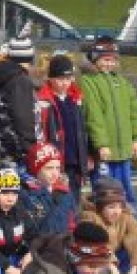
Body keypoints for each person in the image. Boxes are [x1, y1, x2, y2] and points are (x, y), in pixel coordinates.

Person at [80, 36, 137, 205]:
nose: (109, 64)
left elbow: (134, 112)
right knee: (105, 194)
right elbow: (93, 115)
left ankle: (129, 226)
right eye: (105, 59)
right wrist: (101, 144)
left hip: (124, 151)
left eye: (112, 60)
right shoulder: (88, 81)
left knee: (126, 193)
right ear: (95, 59)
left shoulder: (122, 82)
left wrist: (136, 138)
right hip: (105, 154)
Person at [79, 177, 137, 274]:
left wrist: (133, 271)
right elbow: (100, 245)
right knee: (93, 250)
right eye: (111, 207)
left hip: (113, 256)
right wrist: (113, 269)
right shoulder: (89, 216)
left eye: (119, 207)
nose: (117, 212)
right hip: (94, 258)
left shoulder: (125, 216)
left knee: (130, 247)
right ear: (100, 206)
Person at [36, 53, 90, 202]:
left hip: (75, 160)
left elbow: (82, 131)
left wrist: (86, 158)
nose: (64, 83)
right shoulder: (44, 102)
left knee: (74, 199)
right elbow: (42, 133)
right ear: (51, 78)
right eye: (60, 79)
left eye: (68, 79)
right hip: (57, 160)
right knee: (58, 199)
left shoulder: (75, 99)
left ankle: (73, 224)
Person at [0, 25, 41, 168]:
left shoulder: (6, 77)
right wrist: (30, 148)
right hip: (21, 152)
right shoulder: (20, 81)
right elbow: (23, 117)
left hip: (8, 148)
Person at [20, 141, 78, 235]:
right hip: (38, 245)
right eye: (49, 168)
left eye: (57, 168)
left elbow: (73, 219)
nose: (55, 173)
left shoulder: (65, 192)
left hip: (62, 244)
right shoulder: (26, 194)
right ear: (36, 169)